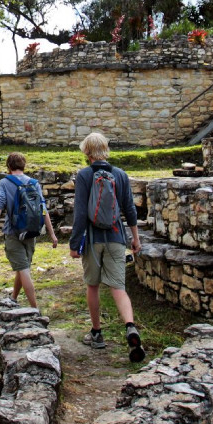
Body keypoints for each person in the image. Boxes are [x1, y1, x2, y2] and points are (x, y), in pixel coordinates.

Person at [69, 132, 146, 362]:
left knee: (92, 285)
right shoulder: (120, 175)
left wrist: (74, 244)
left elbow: (80, 213)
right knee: (118, 287)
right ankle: (130, 326)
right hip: (116, 236)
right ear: (106, 149)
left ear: (87, 152)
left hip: (92, 240)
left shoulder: (84, 175)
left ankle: (96, 333)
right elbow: (130, 209)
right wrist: (135, 238)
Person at [0, 152, 59, 309]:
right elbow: (43, 209)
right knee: (23, 267)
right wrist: (52, 234)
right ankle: (14, 297)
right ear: (23, 165)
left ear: (8, 166)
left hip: (13, 232)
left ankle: (34, 309)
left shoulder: (4, 183)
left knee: (23, 270)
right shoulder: (34, 183)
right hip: (31, 231)